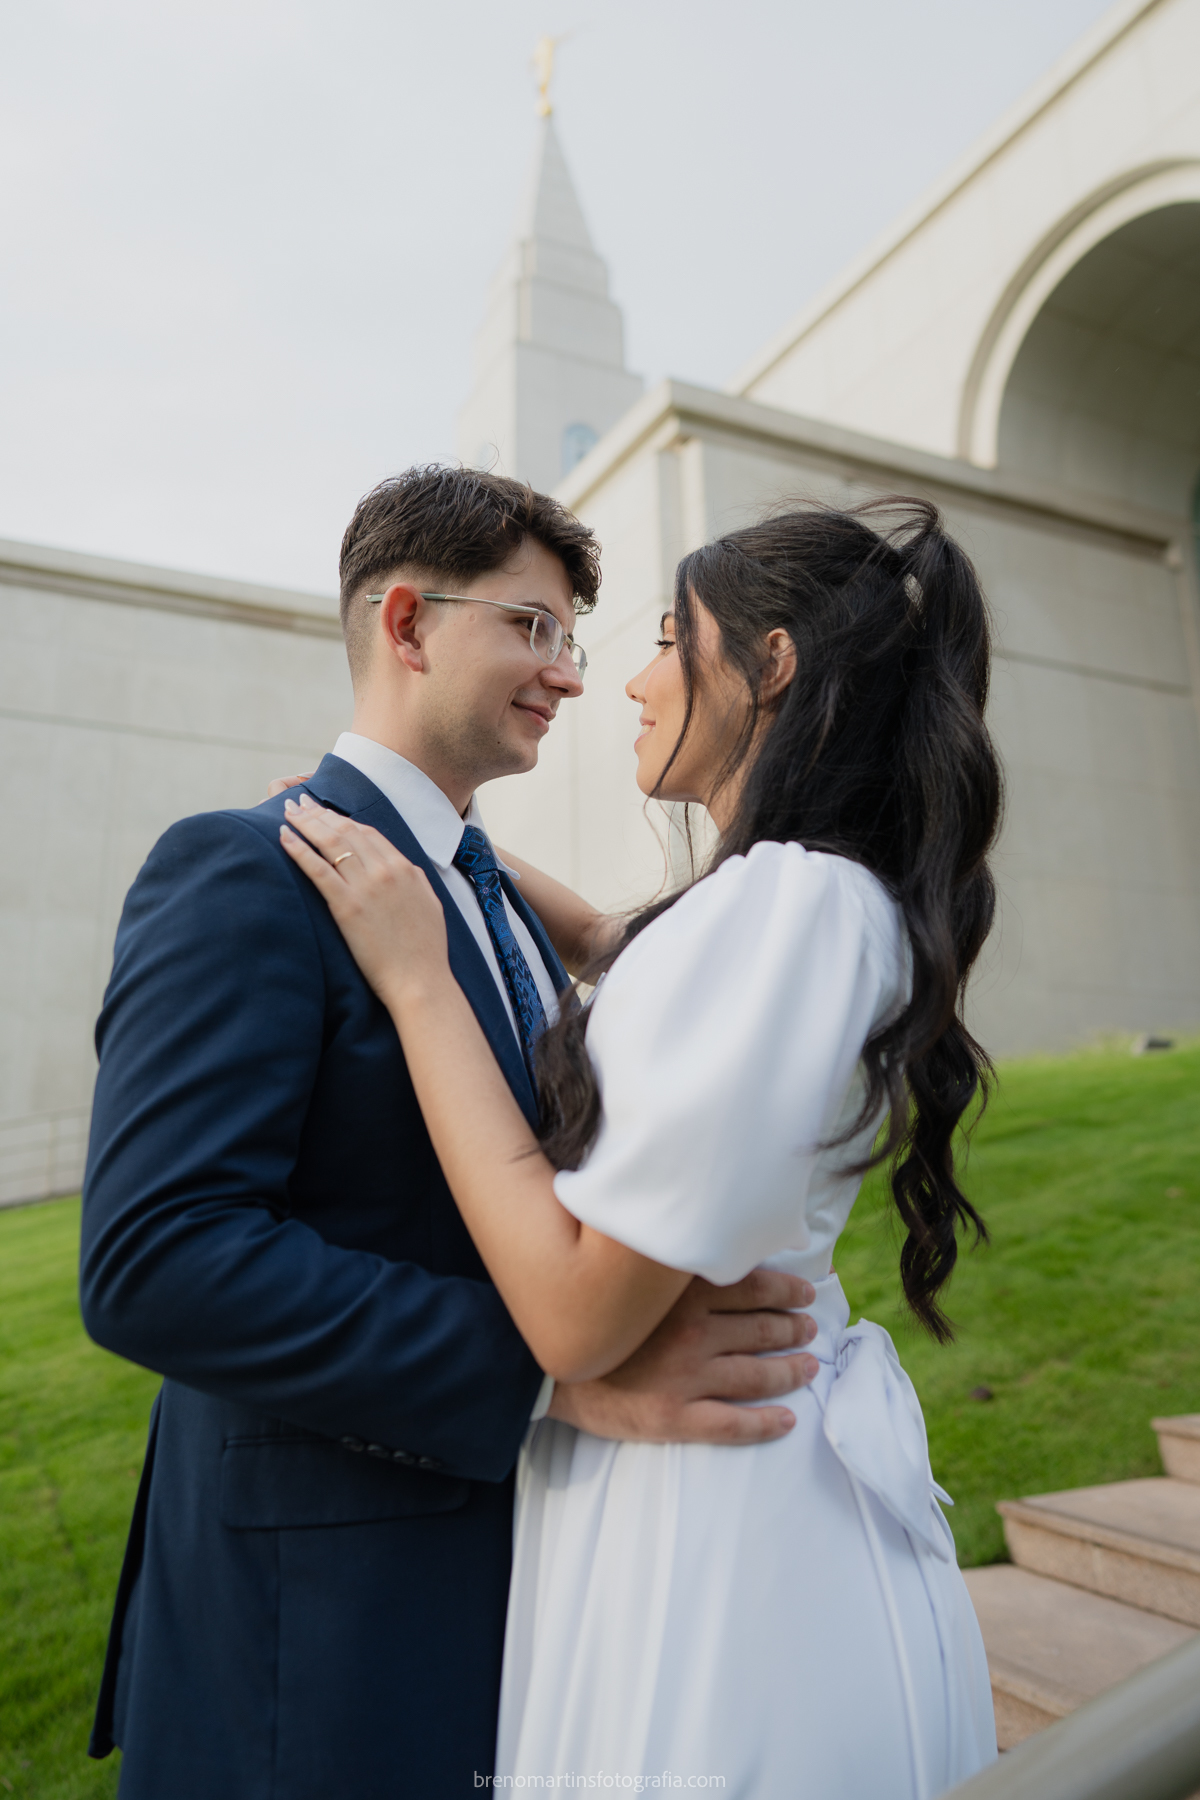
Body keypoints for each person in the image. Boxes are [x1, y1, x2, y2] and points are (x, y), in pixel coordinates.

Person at [79, 467, 820, 1800]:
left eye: (576, 642)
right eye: (532, 629)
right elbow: (159, 1260)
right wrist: (556, 1379)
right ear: (409, 623)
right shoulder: (241, 872)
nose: (571, 675)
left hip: (517, 1606)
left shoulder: (501, 907)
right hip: (313, 1637)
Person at [277, 497, 1004, 1799]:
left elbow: (569, 1317)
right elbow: (645, 967)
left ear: (770, 664)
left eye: (673, 635)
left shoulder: (786, 908)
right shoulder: (797, 900)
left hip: (715, 1544)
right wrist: (460, 864)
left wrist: (421, 974)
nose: (632, 673)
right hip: (719, 1491)